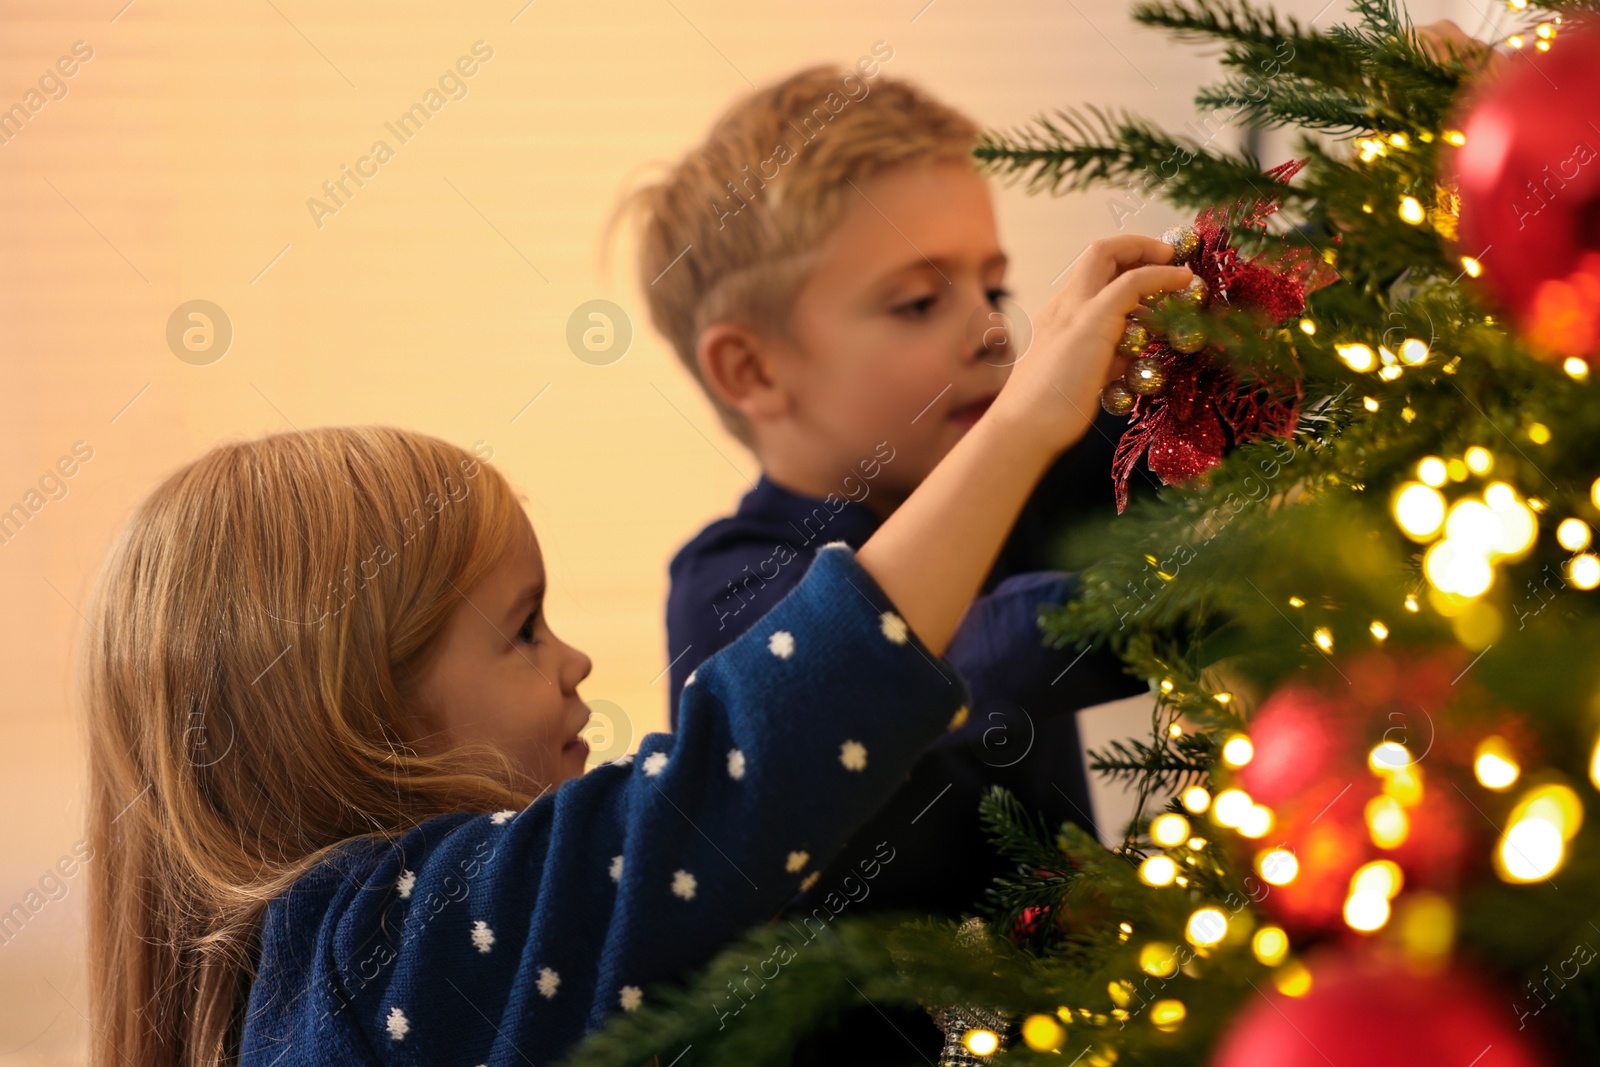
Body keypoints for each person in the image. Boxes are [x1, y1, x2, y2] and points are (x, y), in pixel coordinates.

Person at [82, 236, 1188, 1067]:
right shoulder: (383, 949)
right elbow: (736, 777)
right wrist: (1019, 424)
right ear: (356, 713)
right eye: (521, 628)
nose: (573, 663)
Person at [610, 63, 1151, 937]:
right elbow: (931, 653)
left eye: (994, 287)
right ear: (752, 369)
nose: (991, 330)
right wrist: (1166, 602)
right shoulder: (729, 589)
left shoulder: (1020, 492)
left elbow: (1180, 436)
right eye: (918, 301)